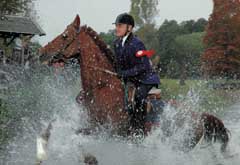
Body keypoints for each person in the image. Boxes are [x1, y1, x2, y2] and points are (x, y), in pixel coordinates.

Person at [112, 13, 160, 132]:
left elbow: (143, 66)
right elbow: (119, 64)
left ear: (129, 28)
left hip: (146, 79)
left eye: (120, 26)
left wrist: (125, 73)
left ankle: (139, 127)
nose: (117, 28)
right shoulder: (117, 44)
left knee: (138, 96)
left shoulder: (137, 43)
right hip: (132, 79)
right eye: (116, 25)